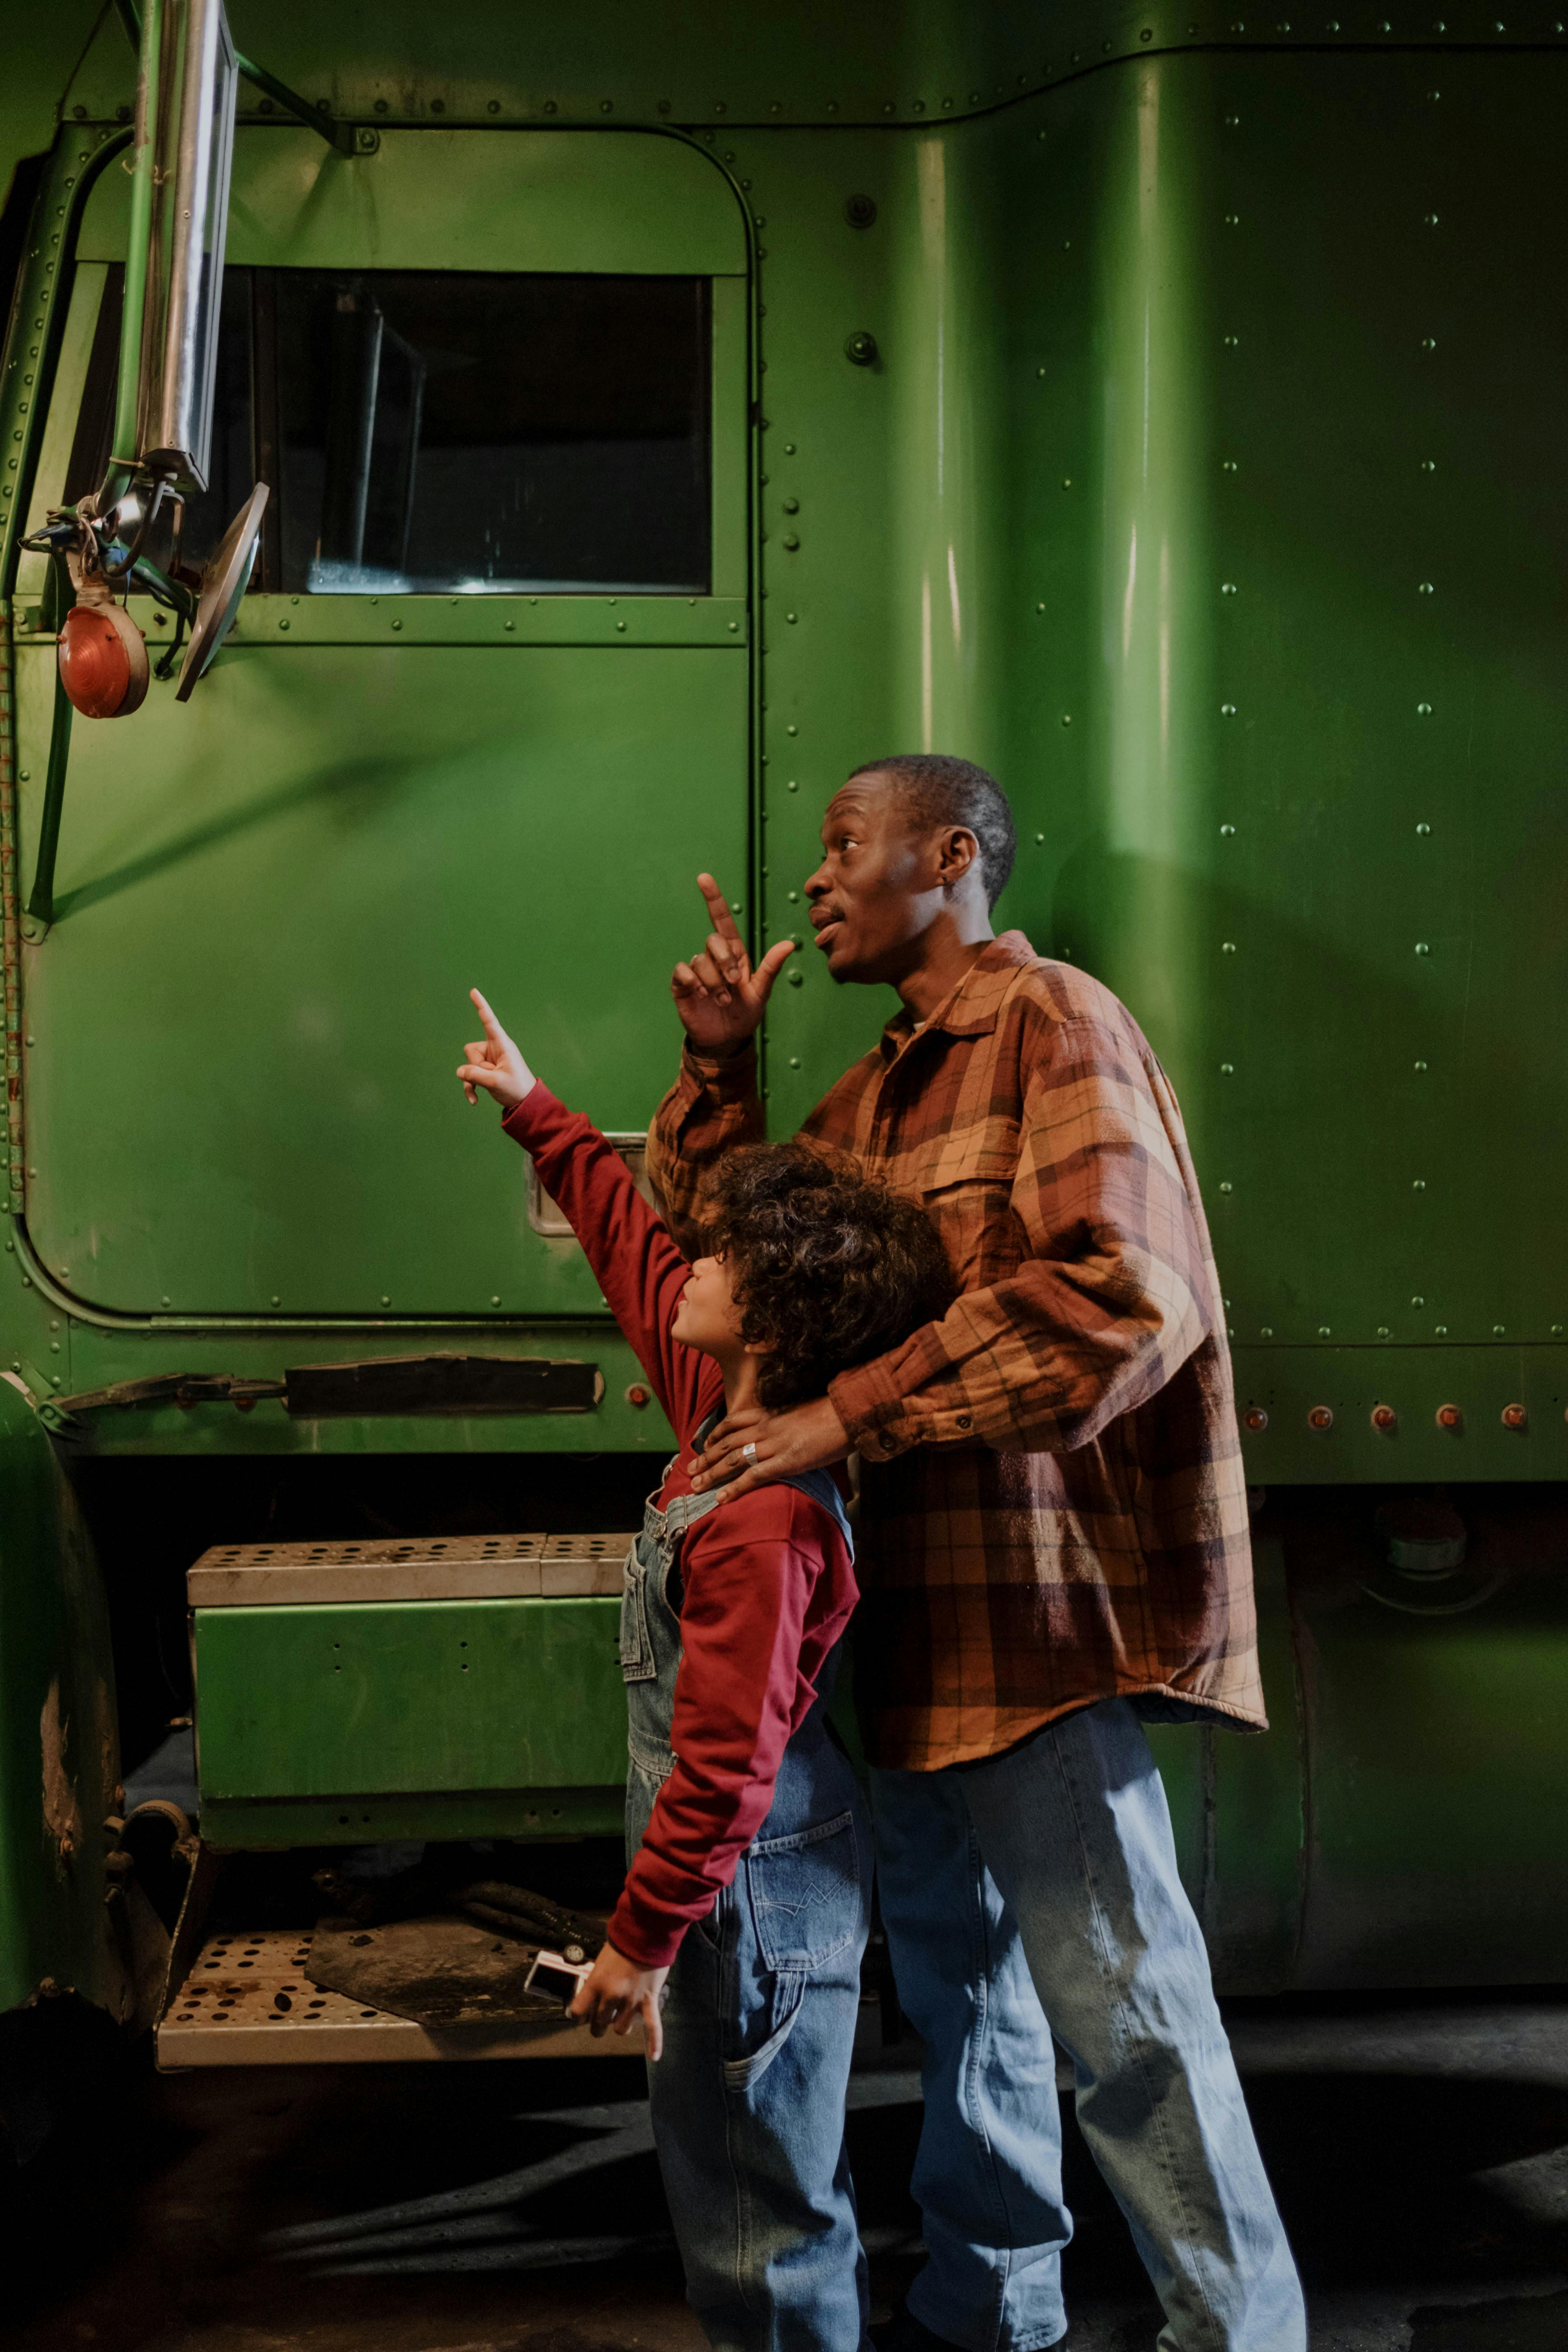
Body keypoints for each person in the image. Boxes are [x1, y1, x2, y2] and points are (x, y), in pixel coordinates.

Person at [643, 757, 1309, 2352]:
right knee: (970, 2004)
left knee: (1131, 2023)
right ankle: (988, 2310)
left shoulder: (1050, 1023)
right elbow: (742, 1247)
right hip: (919, 1639)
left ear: (948, 857)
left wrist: (845, 1419)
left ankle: (1247, 2334)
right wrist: (716, 1064)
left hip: (1033, 1633)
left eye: (843, 846)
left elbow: (1120, 1299)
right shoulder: (878, 1091)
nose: (815, 880)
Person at [454, 987, 957, 2352]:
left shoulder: (761, 1514)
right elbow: (631, 1252)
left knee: (756, 2206)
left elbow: (727, 1766)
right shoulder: (722, 1427)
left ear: (776, 1325)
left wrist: (638, 1941)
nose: (691, 1267)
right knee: (746, 2183)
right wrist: (538, 1115)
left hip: (748, 1897)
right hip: (744, 1887)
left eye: (720, 1262)